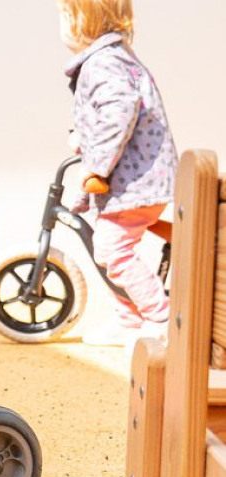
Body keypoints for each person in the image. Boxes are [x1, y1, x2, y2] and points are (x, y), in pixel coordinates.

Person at [59, 0, 176, 346]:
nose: (62, 25)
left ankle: (161, 315)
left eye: (65, 16)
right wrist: (82, 139)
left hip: (136, 181)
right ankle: (129, 321)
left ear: (83, 21)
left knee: (112, 250)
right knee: (107, 245)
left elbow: (118, 111)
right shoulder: (116, 58)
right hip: (140, 179)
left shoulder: (104, 63)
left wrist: (96, 167)